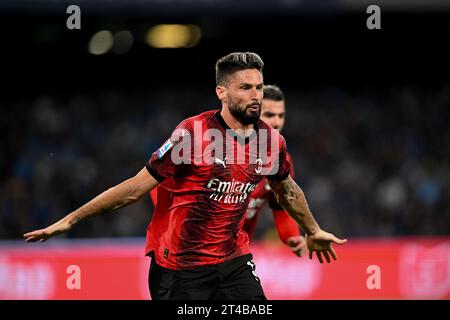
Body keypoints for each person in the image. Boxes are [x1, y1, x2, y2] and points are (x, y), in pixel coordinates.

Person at [24, 52, 347, 300]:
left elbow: (286, 190)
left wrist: (313, 229)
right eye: (245, 87)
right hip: (179, 270)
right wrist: (71, 220)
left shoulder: (271, 141)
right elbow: (135, 189)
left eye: (259, 87)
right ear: (222, 92)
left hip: (233, 261)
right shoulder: (193, 134)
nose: (255, 96)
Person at [243, 85, 306, 257]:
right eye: (269, 115)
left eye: (281, 115)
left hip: (236, 255)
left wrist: (292, 236)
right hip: (192, 252)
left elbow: (281, 210)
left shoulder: (281, 161)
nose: (277, 122)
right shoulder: (218, 150)